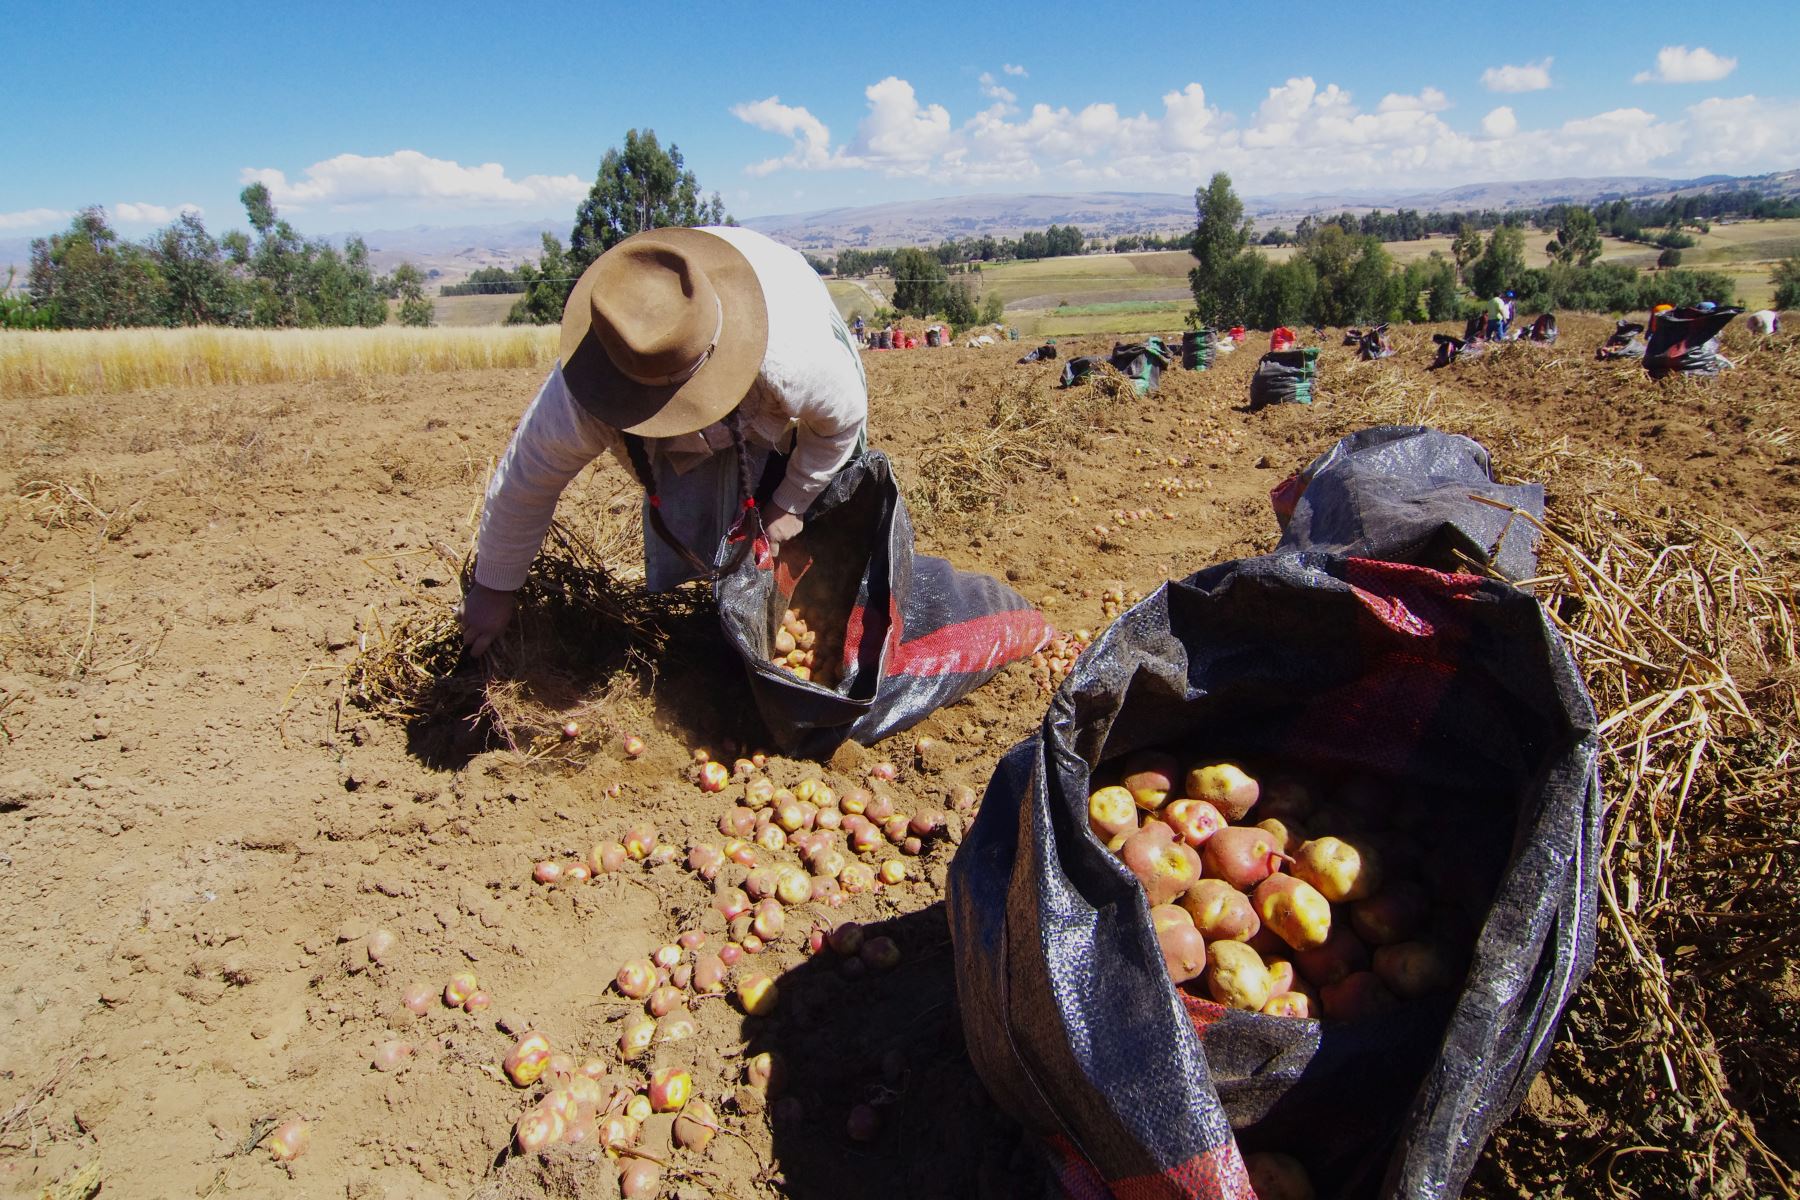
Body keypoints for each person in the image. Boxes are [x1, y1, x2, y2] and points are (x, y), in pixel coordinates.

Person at [459, 225, 869, 657]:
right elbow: (526, 481)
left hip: (782, 314)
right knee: (695, 498)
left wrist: (790, 503)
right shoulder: (586, 386)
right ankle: (724, 604)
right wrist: (493, 589)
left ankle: (828, 597)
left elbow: (840, 420)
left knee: (823, 501)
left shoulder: (790, 357)